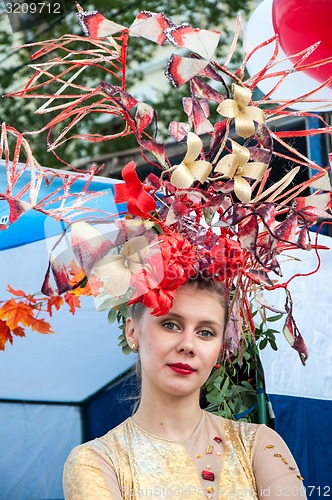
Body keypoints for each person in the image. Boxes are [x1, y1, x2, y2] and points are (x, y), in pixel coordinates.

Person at [63, 278, 306, 499]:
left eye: (205, 332)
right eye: (170, 325)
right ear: (132, 332)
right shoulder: (98, 461)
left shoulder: (259, 444)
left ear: (220, 348)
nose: (188, 345)